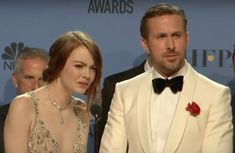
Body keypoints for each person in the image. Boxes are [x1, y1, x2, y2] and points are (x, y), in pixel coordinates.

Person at [99, 3, 233, 153]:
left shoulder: (215, 95)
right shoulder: (125, 91)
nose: (170, 45)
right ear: (145, 44)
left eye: (176, 35)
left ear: (186, 38)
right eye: (161, 37)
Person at [4, 30, 103, 153]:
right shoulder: (24, 105)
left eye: (92, 68)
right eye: (79, 66)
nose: (87, 75)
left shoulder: (81, 110)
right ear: (58, 64)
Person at [0, 47, 49, 153]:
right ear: (15, 80)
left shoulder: (65, 118)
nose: (36, 86)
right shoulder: (2, 119)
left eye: (42, 79)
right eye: (29, 78)